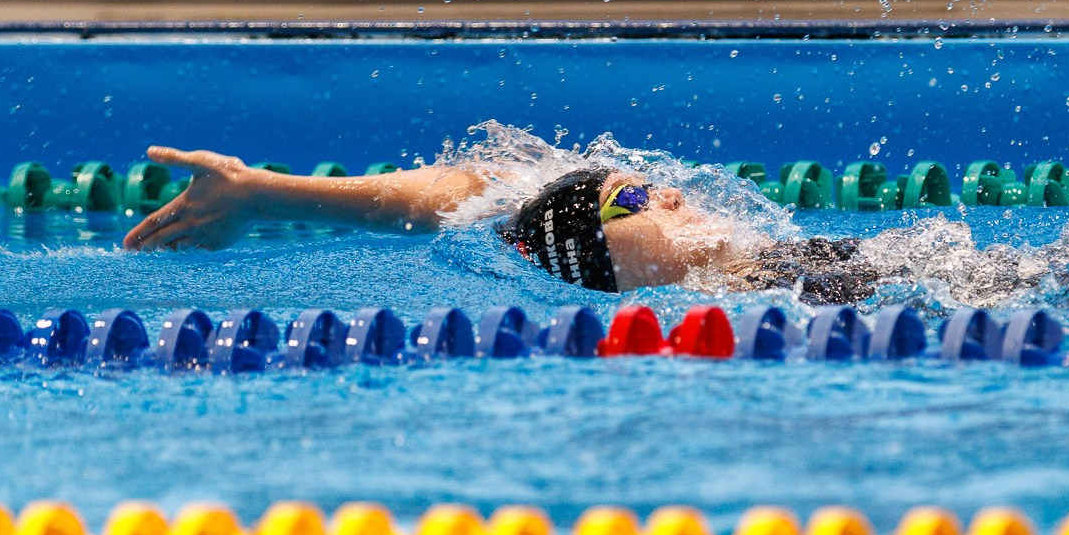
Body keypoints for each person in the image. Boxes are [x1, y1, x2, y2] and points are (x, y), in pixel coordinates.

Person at [122, 146, 878, 301]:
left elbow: (465, 198)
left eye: (652, 187)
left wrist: (264, 190)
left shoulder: (797, 268)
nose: (671, 196)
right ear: (600, 264)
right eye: (633, 201)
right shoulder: (775, 303)